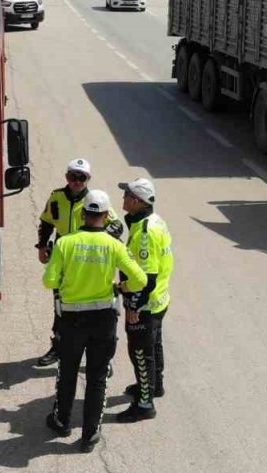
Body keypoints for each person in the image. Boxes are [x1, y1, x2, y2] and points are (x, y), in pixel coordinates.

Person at [43, 190, 146, 452]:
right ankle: (89, 435)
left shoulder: (66, 243)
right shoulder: (114, 245)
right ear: (106, 215)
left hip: (72, 319)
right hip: (103, 319)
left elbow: (49, 281)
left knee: (67, 372)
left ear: (82, 213)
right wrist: (119, 287)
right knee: (97, 377)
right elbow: (140, 280)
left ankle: (61, 421)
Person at [34, 158, 122, 367]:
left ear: (88, 179)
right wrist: (42, 246)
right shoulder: (56, 197)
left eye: (81, 177)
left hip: (89, 261)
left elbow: (117, 226)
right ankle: (58, 347)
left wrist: (97, 237)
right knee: (60, 305)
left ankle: (102, 358)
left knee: (98, 308)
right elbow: (46, 222)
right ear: (66, 177)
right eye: (73, 176)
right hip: (63, 257)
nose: (76, 181)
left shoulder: (95, 200)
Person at [115, 177, 175, 422]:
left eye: (127, 194)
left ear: (137, 201)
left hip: (147, 303)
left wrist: (133, 306)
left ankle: (144, 404)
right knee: (154, 346)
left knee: (140, 352)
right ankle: (154, 386)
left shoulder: (144, 233)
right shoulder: (153, 221)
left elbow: (146, 279)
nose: (123, 198)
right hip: (160, 300)